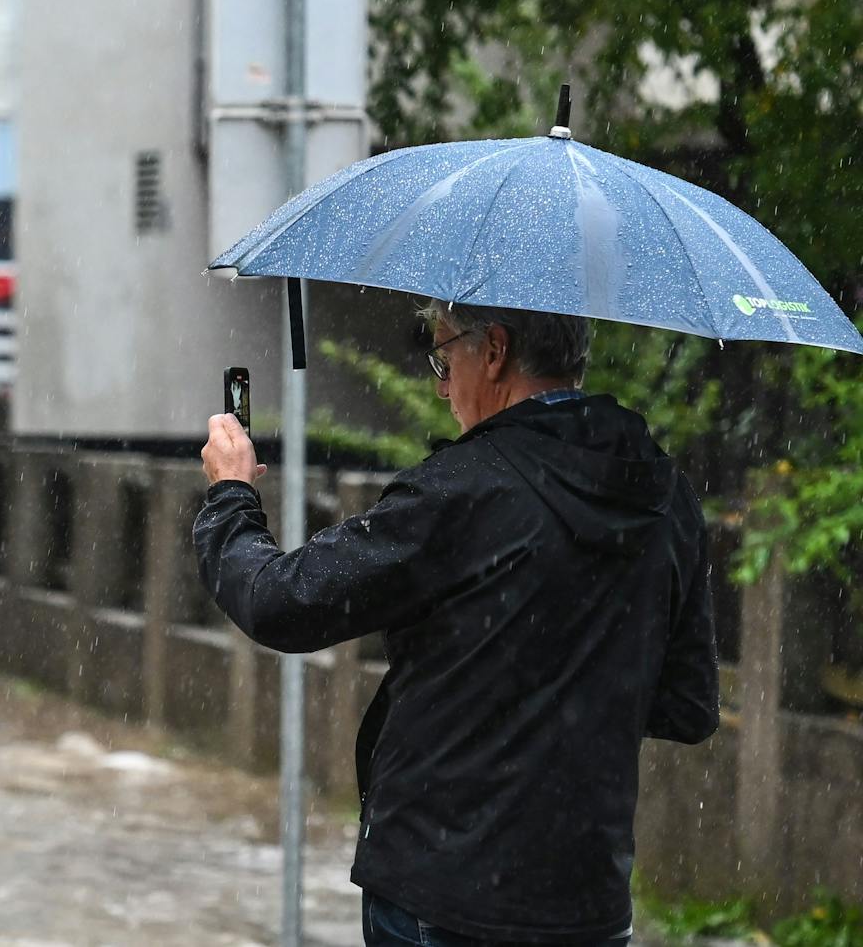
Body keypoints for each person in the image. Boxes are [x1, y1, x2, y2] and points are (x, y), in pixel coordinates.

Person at [194, 300, 718, 947]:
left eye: (445, 357)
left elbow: (281, 603)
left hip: (441, 894)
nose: (441, 383)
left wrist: (230, 497)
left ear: (494, 350)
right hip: (587, 901)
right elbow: (688, 705)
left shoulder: (459, 492)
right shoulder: (666, 494)